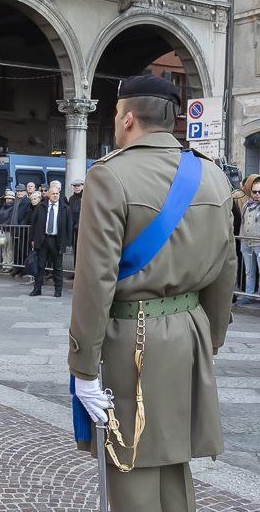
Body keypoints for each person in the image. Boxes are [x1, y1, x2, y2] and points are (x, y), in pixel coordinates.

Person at [68, 75, 236, 512]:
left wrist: (83, 367)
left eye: (116, 114)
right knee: (174, 462)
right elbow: (226, 269)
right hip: (191, 332)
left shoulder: (109, 175)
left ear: (127, 118)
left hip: (133, 337)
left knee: (131, 463)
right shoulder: (213, 176)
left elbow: (95, 279)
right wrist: (210, 340)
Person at [30, 185, 72, 297]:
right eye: (53, 194)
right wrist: (32, 239)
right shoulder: (40, 206)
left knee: (57, 266)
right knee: (40, 265)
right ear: (48, 194)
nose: (55, 196)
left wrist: (68, 242)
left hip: (57, 240)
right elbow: (34, 224)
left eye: (57, 194)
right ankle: (37, 288)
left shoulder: (65, 208)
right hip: (43, 239)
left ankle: (58, 289)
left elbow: (69, 226)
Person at [236, 176, 260, 305]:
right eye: (255, 191)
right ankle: (249, 295)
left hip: (258, 243)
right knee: (249, 271)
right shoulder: (246, 205)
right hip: (246, 243)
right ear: (251, 192)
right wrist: (241, 237)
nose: (257, 194)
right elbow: (242, 222)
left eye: (259, 192)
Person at [0, 192, 16, 273]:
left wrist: (3, 225)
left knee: (9, 248)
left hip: (8, 230)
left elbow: (11, 218)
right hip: (2, 230)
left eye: (10, 198)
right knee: (3, 248)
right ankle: (4, 264)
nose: (8, 200)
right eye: (7, 198)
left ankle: (9, 265)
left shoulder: (13, 207)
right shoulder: (3, 207)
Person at [68, 179, 84, 276]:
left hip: (83, 230)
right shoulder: (71, 199)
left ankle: (82, 274)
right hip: (74, 230)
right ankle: (76, 272)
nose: (76, 187)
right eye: (75, 186)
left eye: (78, 186)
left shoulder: (86, 197)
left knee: (82, 253)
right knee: (75, 252)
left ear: (83, 186)